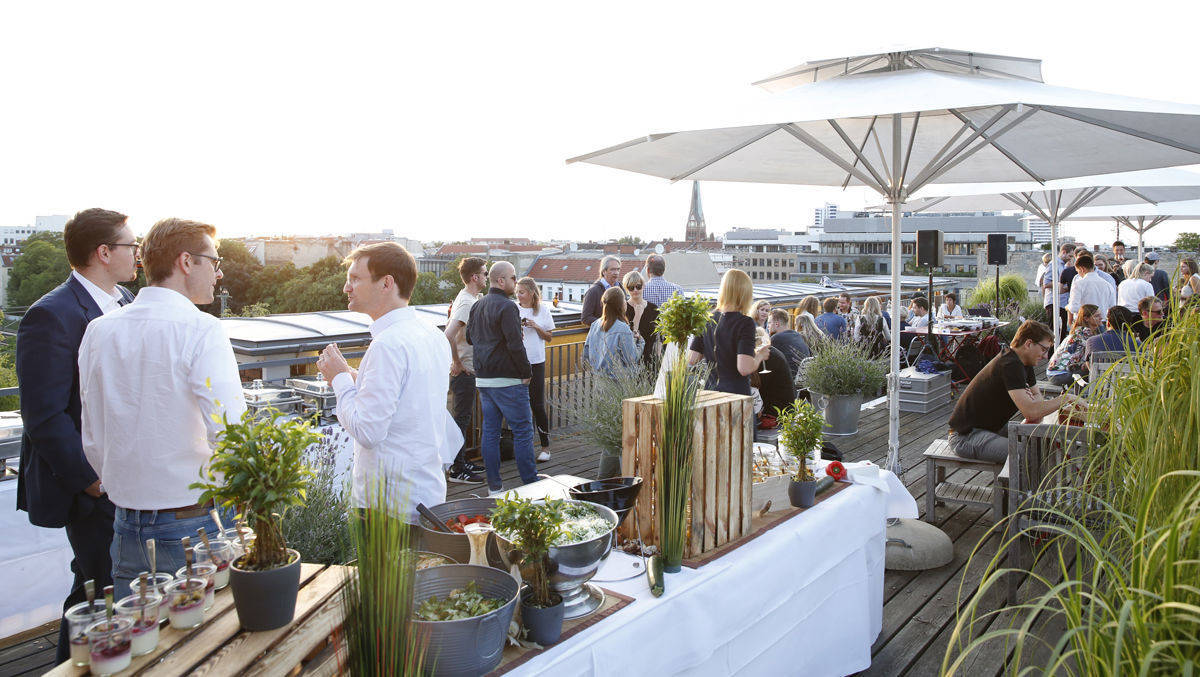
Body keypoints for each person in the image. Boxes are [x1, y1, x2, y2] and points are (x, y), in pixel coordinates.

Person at [78, 217, 246, 599]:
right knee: (208, 650)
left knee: (143, 652)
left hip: (124, 523)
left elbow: (93, 434)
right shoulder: (201, 329)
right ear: (186, 262)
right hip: (196, 523)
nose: (218, 274)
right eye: (214, 262)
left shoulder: (99, 330)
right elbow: (232, 433)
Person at [16, 208, 137, 663]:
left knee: (92, 587)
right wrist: (90, 480)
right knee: (105, 588)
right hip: (91, 485)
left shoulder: (125, 300)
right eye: (131, 246)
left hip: (126, 476)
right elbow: (44, 415)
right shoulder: (51, 315)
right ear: (104, 253)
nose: (138, 255)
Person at [318, 242, 458, 524]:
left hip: (389, 511)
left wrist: (340, 379)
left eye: (355, 278)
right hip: (426, 496)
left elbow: (368, 431)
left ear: (386, 283)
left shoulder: (388, 344)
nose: (347, 287)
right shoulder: (430, 334)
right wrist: (355, 376)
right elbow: (408, 397)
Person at [947, 320, 1083, 462]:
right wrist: (1066, 399)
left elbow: (1036, 408)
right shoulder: (1010, 364)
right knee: (1029, 453)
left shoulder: (1024, 361)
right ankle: (1012, 485)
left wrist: (1034, 405)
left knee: (1042, 441)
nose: (1046, 356)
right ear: (1029, 344)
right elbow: (1032, 412)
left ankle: (1030, 484)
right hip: (966, 436)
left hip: (992, 428)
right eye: (1044, 349)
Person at [464, 261, 539, 494]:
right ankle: (531, 485)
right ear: (501, 281)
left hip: (484, 379)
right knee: (523, 431)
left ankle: (494, 487)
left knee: (490, 432)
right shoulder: (508, 307)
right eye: (513, 278)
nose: (516, 282)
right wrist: (526, 373)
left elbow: (469, 338)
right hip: (508, 380)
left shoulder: (477, 306)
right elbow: (515, 345)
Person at [442, 257, 487, 484]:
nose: (487, 277)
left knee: (465, 418)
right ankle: (457, 470)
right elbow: (448, 335)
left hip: (468, 368)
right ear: (474, 277)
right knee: (461, 419)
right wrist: (457, 363)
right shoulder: (467, 303)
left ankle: (462, 461)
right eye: (485, 273)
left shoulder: (471, 297)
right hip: (464, 371)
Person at [692, 269, 768, 396]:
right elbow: (744, 369)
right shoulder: (745, 323)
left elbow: (693, 359)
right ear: (745, 293)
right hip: (735, 396)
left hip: (710, 391)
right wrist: (760, 356)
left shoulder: (706, 319)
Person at [517, 277, 554, 462]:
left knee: (537, 405)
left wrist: (536, 326)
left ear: (531, 293)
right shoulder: (513, 308)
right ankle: (523, 447)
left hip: (536, 362)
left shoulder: (543, 310)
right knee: (518, 405)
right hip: (516, 363)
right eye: (517, 292)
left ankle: (545, 447)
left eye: (521, 292)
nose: (518, 295)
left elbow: (549, 337)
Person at [750, 328, 796, 420]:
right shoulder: (772, 352)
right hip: (786, 404)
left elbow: (758, 385)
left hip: (779, 410)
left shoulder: (768, 357)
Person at [1047, 304, 1101, 378]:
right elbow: (1094, 355)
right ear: (1086, 318)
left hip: (1054, 373)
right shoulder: (1084, 332)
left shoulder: (1080, 330)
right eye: (1097, 316)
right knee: (1099, 375)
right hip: (1060, 374)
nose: (1101, 318)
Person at [623, 270, 660, 367]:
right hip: (633, 361)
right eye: (631, 287)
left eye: (638, 286)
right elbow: (628, 337)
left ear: (643, 286)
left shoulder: (653, 308)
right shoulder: (623, 309)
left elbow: (659, 336)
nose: (635, 290)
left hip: (652, 360)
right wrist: (637, 316)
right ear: (627, 289)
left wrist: (659, 357)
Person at [1066, 254, 1116, 320]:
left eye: (1078, 271)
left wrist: (1068, 307)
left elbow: (1074, 308)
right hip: (1102, 321)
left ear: (1082, 269)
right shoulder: (1107, 284)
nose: (1078, 274)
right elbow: (1112, 307)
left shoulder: (1078, 284)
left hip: (1085, 322)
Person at [767, 308, 810, 379]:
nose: (767, 326)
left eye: (769, 322)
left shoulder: (776, 338)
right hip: (803, 379)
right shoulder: (798, 335)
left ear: (777, 324)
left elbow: (767, 362)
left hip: (788, 380)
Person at [581, 255, 623, 327]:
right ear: (603, 271)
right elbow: (586, 318)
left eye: (618, 269)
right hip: (603, 334)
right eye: (612, 269)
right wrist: (608, 324)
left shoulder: (620, 288)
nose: (616, 272)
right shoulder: (593, 291)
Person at [1044, 243, 1074, 340]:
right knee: (1054, 332)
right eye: (1070, 256)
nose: (1070, 258)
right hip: (1054, 302)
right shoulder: (1053, 264)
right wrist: (1063, 285)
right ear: (1063, 252)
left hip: (1062, 303)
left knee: (1062, 332)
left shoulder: (1063, 266)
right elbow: (1046, 283)